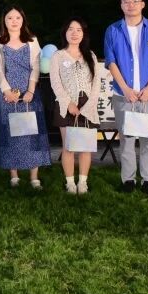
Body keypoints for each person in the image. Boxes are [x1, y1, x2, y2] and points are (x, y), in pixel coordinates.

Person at [103, 0, 148, 195]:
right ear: (121, 5)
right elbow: (111, 61)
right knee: (127, 139)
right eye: (126, 1)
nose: (130, 5)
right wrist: (125, 89)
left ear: (142, 4)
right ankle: (128, 180)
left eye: (135, 1)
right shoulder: (113, 30)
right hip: (124, 95)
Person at [0, 7, 52, 189]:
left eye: (17, 17)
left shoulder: (32, 41)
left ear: (23, 20)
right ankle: (14, 176)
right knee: (10, 134)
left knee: (32, 133)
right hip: (7, 95)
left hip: (29, 95)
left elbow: (36, 67)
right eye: (10, 18)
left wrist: (31, 91)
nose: (14, 21)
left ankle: (34, 177)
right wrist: (6, 91)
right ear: (4, 21)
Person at [49, 18, 107, 194]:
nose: (74, 33)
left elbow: (96, 83)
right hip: (66, 105)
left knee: (85, 146)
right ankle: (70, 183)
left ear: (84, 34)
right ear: (65, 32)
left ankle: (83, 182)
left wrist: (88, 106)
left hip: (87, 105)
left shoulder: (91, 55)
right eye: (71, 29)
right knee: (68, 146)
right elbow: (55, 83)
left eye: (79, 30)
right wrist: (68, 104)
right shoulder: (58, 56)